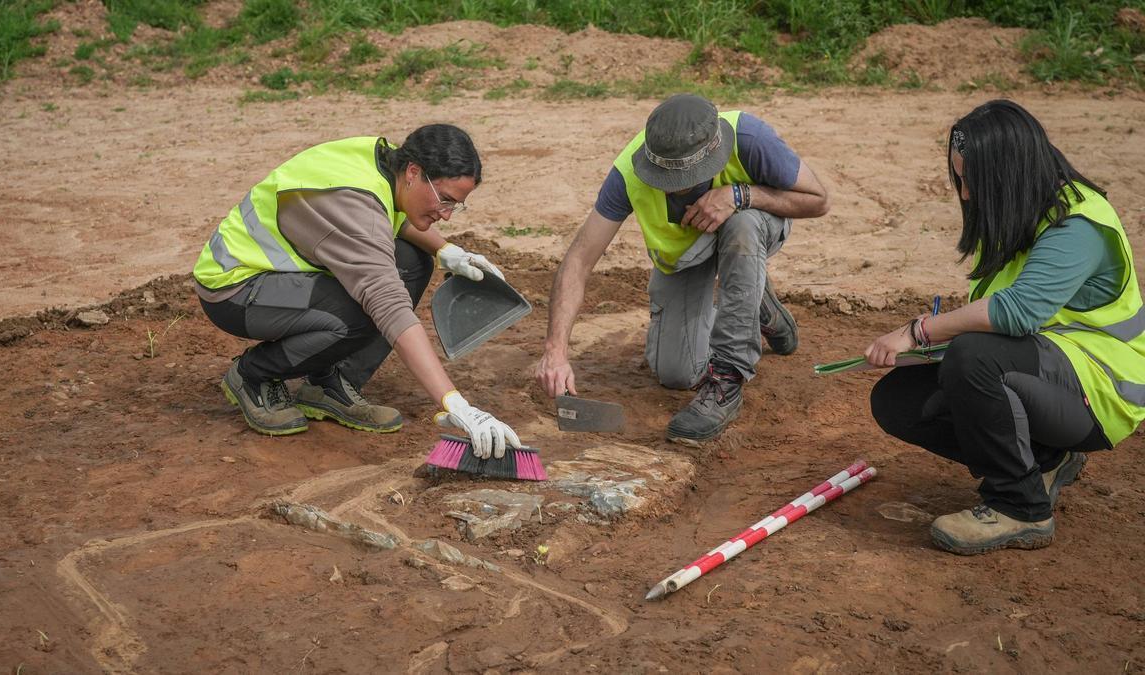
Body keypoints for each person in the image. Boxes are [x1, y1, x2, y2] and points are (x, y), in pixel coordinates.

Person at [865, 100, 1145, 555]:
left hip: (1104, 392)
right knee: (898, 400)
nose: (965, 193)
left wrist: (921, 331)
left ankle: (1020, 507)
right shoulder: (1025, 211)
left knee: (973, 357)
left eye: (968, 178)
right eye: (958, 177)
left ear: (1005, 172)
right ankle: (1047, 460)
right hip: (1052, 376)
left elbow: (1017, 313)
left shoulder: (1078, 225)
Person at [192, 124, 522, 459]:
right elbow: (389, 305)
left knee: (412, 261)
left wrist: (447, 251)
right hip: (237, 288)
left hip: (286, 274)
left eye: (457, 205)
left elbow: (391, 216)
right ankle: (254, 375)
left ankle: (328, 382)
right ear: (413, 173)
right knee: (367, 313)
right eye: (445, 200)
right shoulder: (351, 203)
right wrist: (457, 404)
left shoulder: (388, 162)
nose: (447, 215)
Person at [535, 94, 829, 445]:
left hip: (751, 228)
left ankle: (727, 381)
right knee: (676, 373)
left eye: (687, 178)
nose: (674, 186)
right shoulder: (628, 173)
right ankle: (756, 303)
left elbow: (818, 200)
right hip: (686, 258)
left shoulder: (749, 138)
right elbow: (579, 260)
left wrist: (740, 195)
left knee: (743, 226)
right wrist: (555, 352)